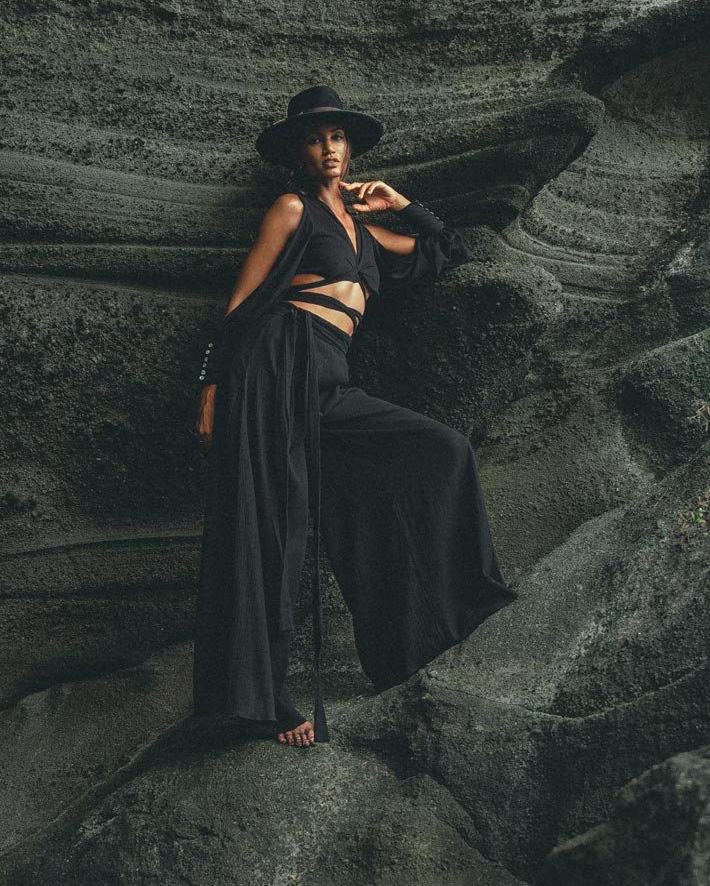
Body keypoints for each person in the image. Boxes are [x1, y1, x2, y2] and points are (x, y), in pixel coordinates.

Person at [190, 84, 517, 748]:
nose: (328, 148)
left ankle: (442, 618)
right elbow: (241, 302)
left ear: (351, 146)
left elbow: (446, 252)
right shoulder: (291, 209)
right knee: (271, 532)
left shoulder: (364, 230)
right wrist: (210, 389)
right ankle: (264, 706)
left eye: (337, 137)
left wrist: (404, 204)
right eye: (314, 138)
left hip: (328, 383)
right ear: (297, 152)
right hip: (273, 367)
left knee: (440, 450)